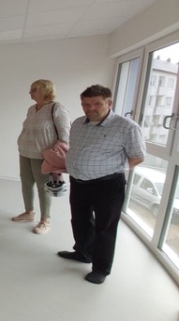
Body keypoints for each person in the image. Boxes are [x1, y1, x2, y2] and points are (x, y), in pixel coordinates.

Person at [58, 85, 145, 284]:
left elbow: (137, 156)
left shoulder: (127, 127)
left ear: (109, 103)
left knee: (104, 227)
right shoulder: (78, 123)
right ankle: (83, 252)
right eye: (85, 104)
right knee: (79, 220)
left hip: (108, 185)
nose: (90, 108)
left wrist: (113, 169)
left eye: (96, 103)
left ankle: (101, 268)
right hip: (79, 181)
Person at [13, 79, 71, 234]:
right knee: (26, 183)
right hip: (25, 152)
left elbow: (65, 135)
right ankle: (29, 212)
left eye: (34, 89)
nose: (30, 92)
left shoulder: (56, 108)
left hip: (43, 156)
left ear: (45, 91)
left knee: (43, 186)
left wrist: (52, 154)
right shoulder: (31, 109)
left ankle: (45, 220)